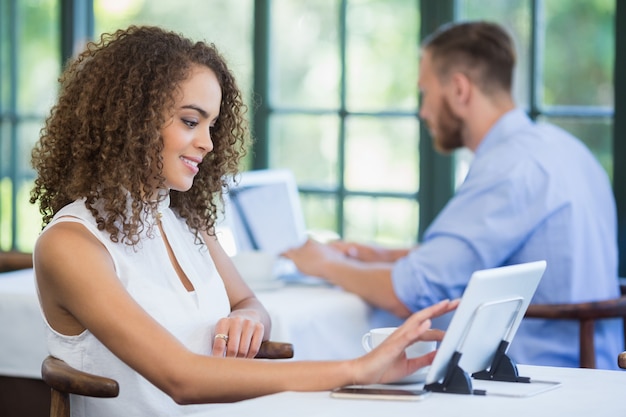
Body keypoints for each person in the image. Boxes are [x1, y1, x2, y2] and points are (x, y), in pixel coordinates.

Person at [30, 25, 458, 416]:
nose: (208, 143)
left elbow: (250, 303)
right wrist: (356, 369)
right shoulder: (71, 244)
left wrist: (250, 320)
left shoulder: (183, 218)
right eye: (191, 121)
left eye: (213, 125)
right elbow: (182, 378)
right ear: (130, 120)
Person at [284, 20, 623, 370]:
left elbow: (409, 292)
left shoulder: (509, 167)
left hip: (538, 372)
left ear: (460, 90)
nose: (423, 111)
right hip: (597, 364)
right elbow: (479, 257)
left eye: (425, 92)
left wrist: (324, 264)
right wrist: (373, 253)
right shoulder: (563, 149)